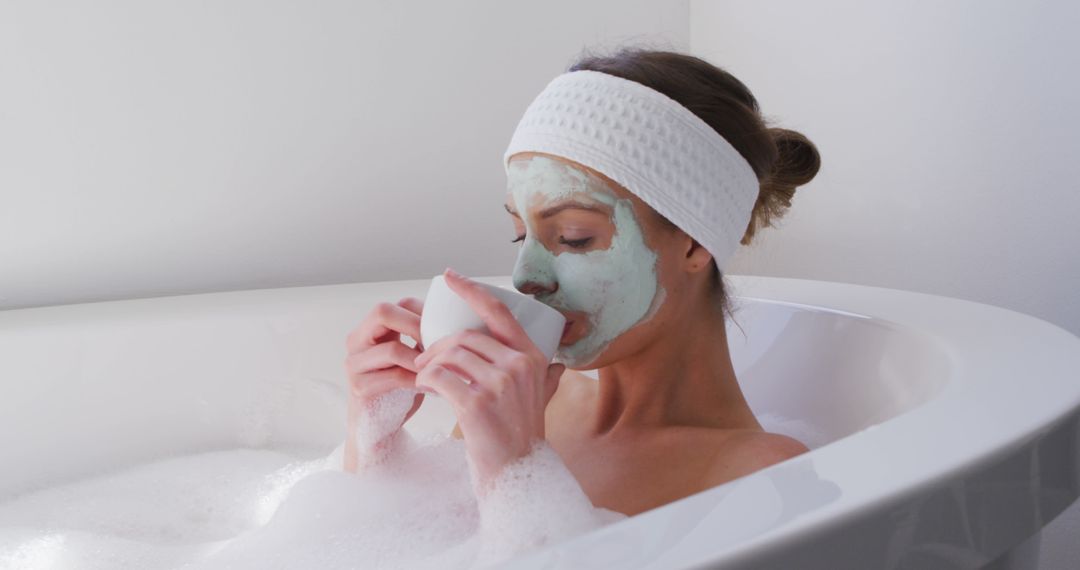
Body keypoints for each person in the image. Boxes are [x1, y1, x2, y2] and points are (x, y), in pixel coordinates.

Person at [342, 47, 821, 517]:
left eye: (574, 238)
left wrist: (518, 476)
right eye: (520, 235)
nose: (525, 277)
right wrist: (373, 443)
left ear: (695, 244)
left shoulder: (763, 476)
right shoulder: (530, 398)